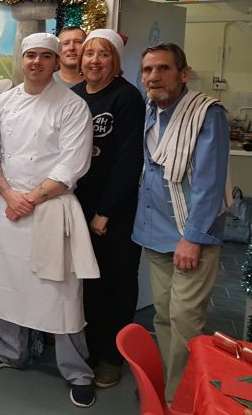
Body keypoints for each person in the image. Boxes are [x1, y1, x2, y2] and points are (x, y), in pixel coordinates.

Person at [0, 33, 99, 409]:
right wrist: (10, 195)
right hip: (8, 205)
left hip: (51, 208)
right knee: (6, 283)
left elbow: (73, 162)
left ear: (55, 61)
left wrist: (29, 199)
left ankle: (78, 371)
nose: (36, 62)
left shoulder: (72, 105)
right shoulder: (2, 103)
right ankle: (10, 352)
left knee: (61, 293)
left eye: (44, 57)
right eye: (30, 56)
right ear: (21, 60)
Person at [133, 43, 230, 401]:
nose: (154, 76)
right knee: (163, 315)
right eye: (147, 70)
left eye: (163, 68)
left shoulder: (208, 113)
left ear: (183, 74)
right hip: (155, 230)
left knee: (186, 320)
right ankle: (170, 384)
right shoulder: (150, 110)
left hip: (191, 235)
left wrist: (193, 238)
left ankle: (183, 398)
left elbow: (209, 182)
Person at [71, 29, 145, 389]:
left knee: (118, 282)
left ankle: (113, 358)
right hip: (76, 205)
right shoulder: (72, 96)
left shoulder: (127, 97)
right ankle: (89, 348)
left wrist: (105, 211)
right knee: (87, 282)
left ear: (115, 62)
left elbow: (128, 161)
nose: (94, 61)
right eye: (89, 54)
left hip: (115, 210)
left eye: (103, 55)